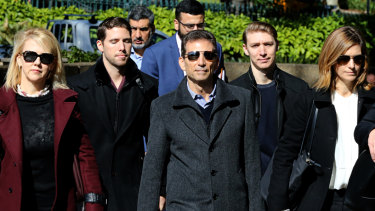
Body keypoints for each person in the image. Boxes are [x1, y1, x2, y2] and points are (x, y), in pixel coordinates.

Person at [137, 30, 263, 210]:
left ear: (217, 61)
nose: (201, 62)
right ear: (182, 62)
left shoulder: (241, 100)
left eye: (209, 55)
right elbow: (152, 172)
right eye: (193, 56)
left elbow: (251, 164)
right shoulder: (163, 107)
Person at [267, 26, 375, 211]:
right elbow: (285, 155)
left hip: (362, 201)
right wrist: (278, 204)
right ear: (331, 59)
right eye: (344, 58)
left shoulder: (371, 101)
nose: (352, 65)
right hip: (318, 202)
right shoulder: (311, 100)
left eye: (358, 59)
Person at [0, 28, 104, 211]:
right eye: (30, 55)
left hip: (59, 204)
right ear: (18, 59)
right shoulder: (3, 104)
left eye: (45, 57)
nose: (37, 62)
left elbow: (85, 156)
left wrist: (94, 203)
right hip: (13, 204)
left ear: (53, 64)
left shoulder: (67, 103)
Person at [68, 17, 158, 211]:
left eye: (126, 41)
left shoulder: (147, 87)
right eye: (114, 41)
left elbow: (156, 142)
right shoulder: (78, 88)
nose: (122, 47)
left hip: (132, 189)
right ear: (100, 45)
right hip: (90, 189)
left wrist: (160, 189)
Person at [230, 21, 309, 175]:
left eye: (268, 44)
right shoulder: (232, 92)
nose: (263, 52)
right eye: (255, 46)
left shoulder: (299, 89)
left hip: (287, 181)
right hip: (246, 183)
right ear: (245, 49)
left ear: (277, 45)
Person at [141, 0, 225, 96]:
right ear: (176, 24)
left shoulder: (215, 48)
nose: (195, 30)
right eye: (190, 26)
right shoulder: (155, 54)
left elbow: (220, 85)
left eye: (200, 25)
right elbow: (146, 97)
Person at [128, 5, 155, 70]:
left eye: (143, 29)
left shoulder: (160, 55)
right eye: (133, 29)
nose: (138, 35)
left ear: (152, 30)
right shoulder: (121, 54)